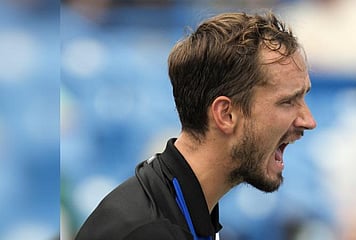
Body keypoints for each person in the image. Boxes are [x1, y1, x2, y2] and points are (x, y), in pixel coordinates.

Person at [75, 11, 316, 240]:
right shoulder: (148, 231)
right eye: (288, 101)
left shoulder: (179, 204)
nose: (309, 121)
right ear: (226, 114)